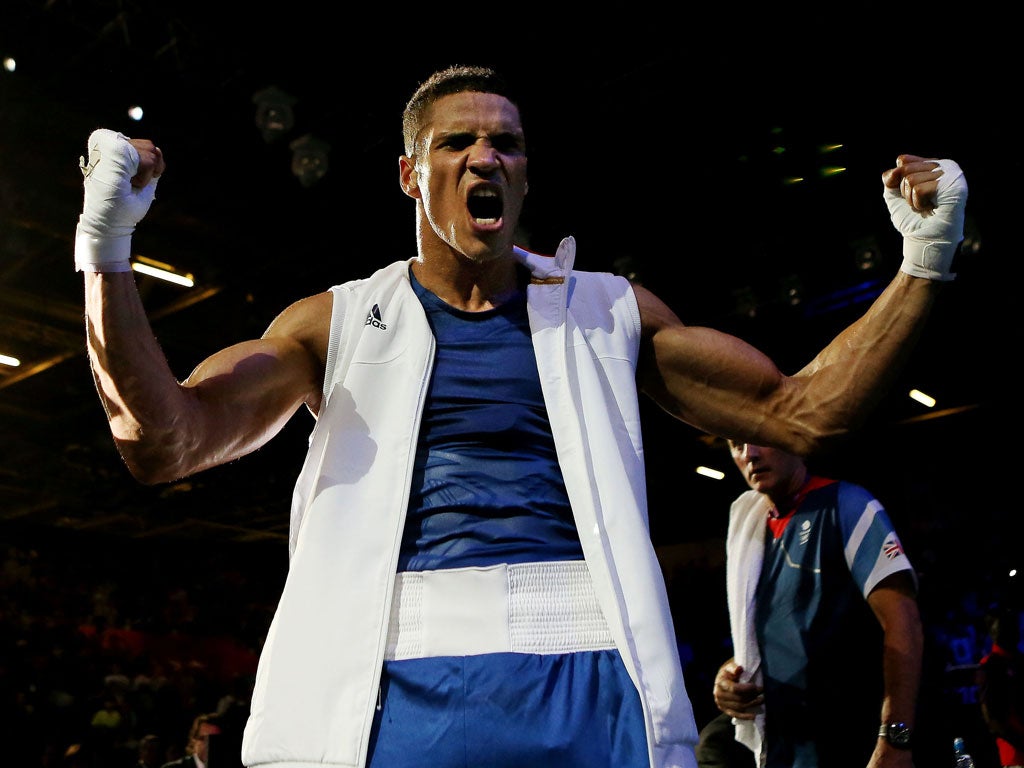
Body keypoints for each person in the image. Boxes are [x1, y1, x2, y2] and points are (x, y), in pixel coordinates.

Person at [72, 64, 967, 768]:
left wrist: (924, 255)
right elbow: (167, 444)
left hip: (593, 701)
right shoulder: (335, 323)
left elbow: (800, 414)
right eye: (457, 142)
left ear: (527, 170)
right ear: (410, 174)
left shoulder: (611, 312)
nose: (485, 157)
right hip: (384, 706)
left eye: (506, 142)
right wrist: (107, 247)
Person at [711, 441, 923, 768]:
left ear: (789, 433)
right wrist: (733, 673)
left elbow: (904, 622)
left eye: (758, 438)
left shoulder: (848, 505)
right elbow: (769, 640)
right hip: (786, 752)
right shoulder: (749, 530)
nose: (749, 453)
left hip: (855, 745)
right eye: (736, 444)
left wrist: (895, 740)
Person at [978, 603, 1024, 767]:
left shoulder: (1019, 660)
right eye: (1008, 626)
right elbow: (993, 719)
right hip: (1016, 756)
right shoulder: (991, 666)